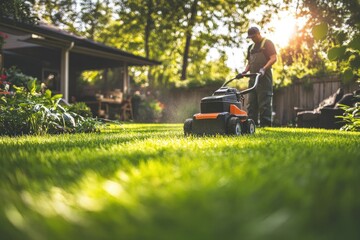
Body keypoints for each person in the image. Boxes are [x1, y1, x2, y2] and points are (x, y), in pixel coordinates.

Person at [238, 27, 277, 127]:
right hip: (253, 79)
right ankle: (252, 126)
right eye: (251, 37)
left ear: (259, 34)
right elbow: (250, 63)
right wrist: (244, 72)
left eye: (254, 36)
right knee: (251, 104)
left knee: (264, 104)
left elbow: (273, 58)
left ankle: (266, 125)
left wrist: (264, 69)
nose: (253, 39)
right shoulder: (250, 47)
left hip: (264, 78)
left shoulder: (267, 43)